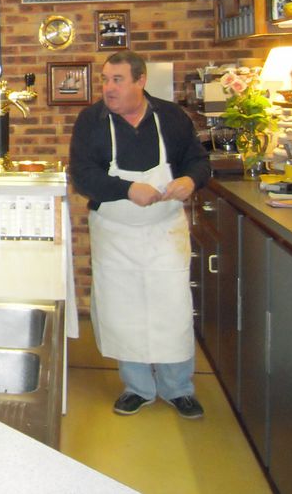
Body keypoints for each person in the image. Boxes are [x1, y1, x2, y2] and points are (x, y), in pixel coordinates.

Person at [69, 50, 210, 419]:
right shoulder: (91, 121)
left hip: (164, 232)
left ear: (140, 80)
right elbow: (83, 175)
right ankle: (137, 388)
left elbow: (199, 160)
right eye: (104, 80)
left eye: (117, 80)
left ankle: (179, 388)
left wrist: (189, 180)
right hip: (115, 234)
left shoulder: (172, 118)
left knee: (172, 309)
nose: (108, 88)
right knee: (124, 310)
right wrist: (127, 189)